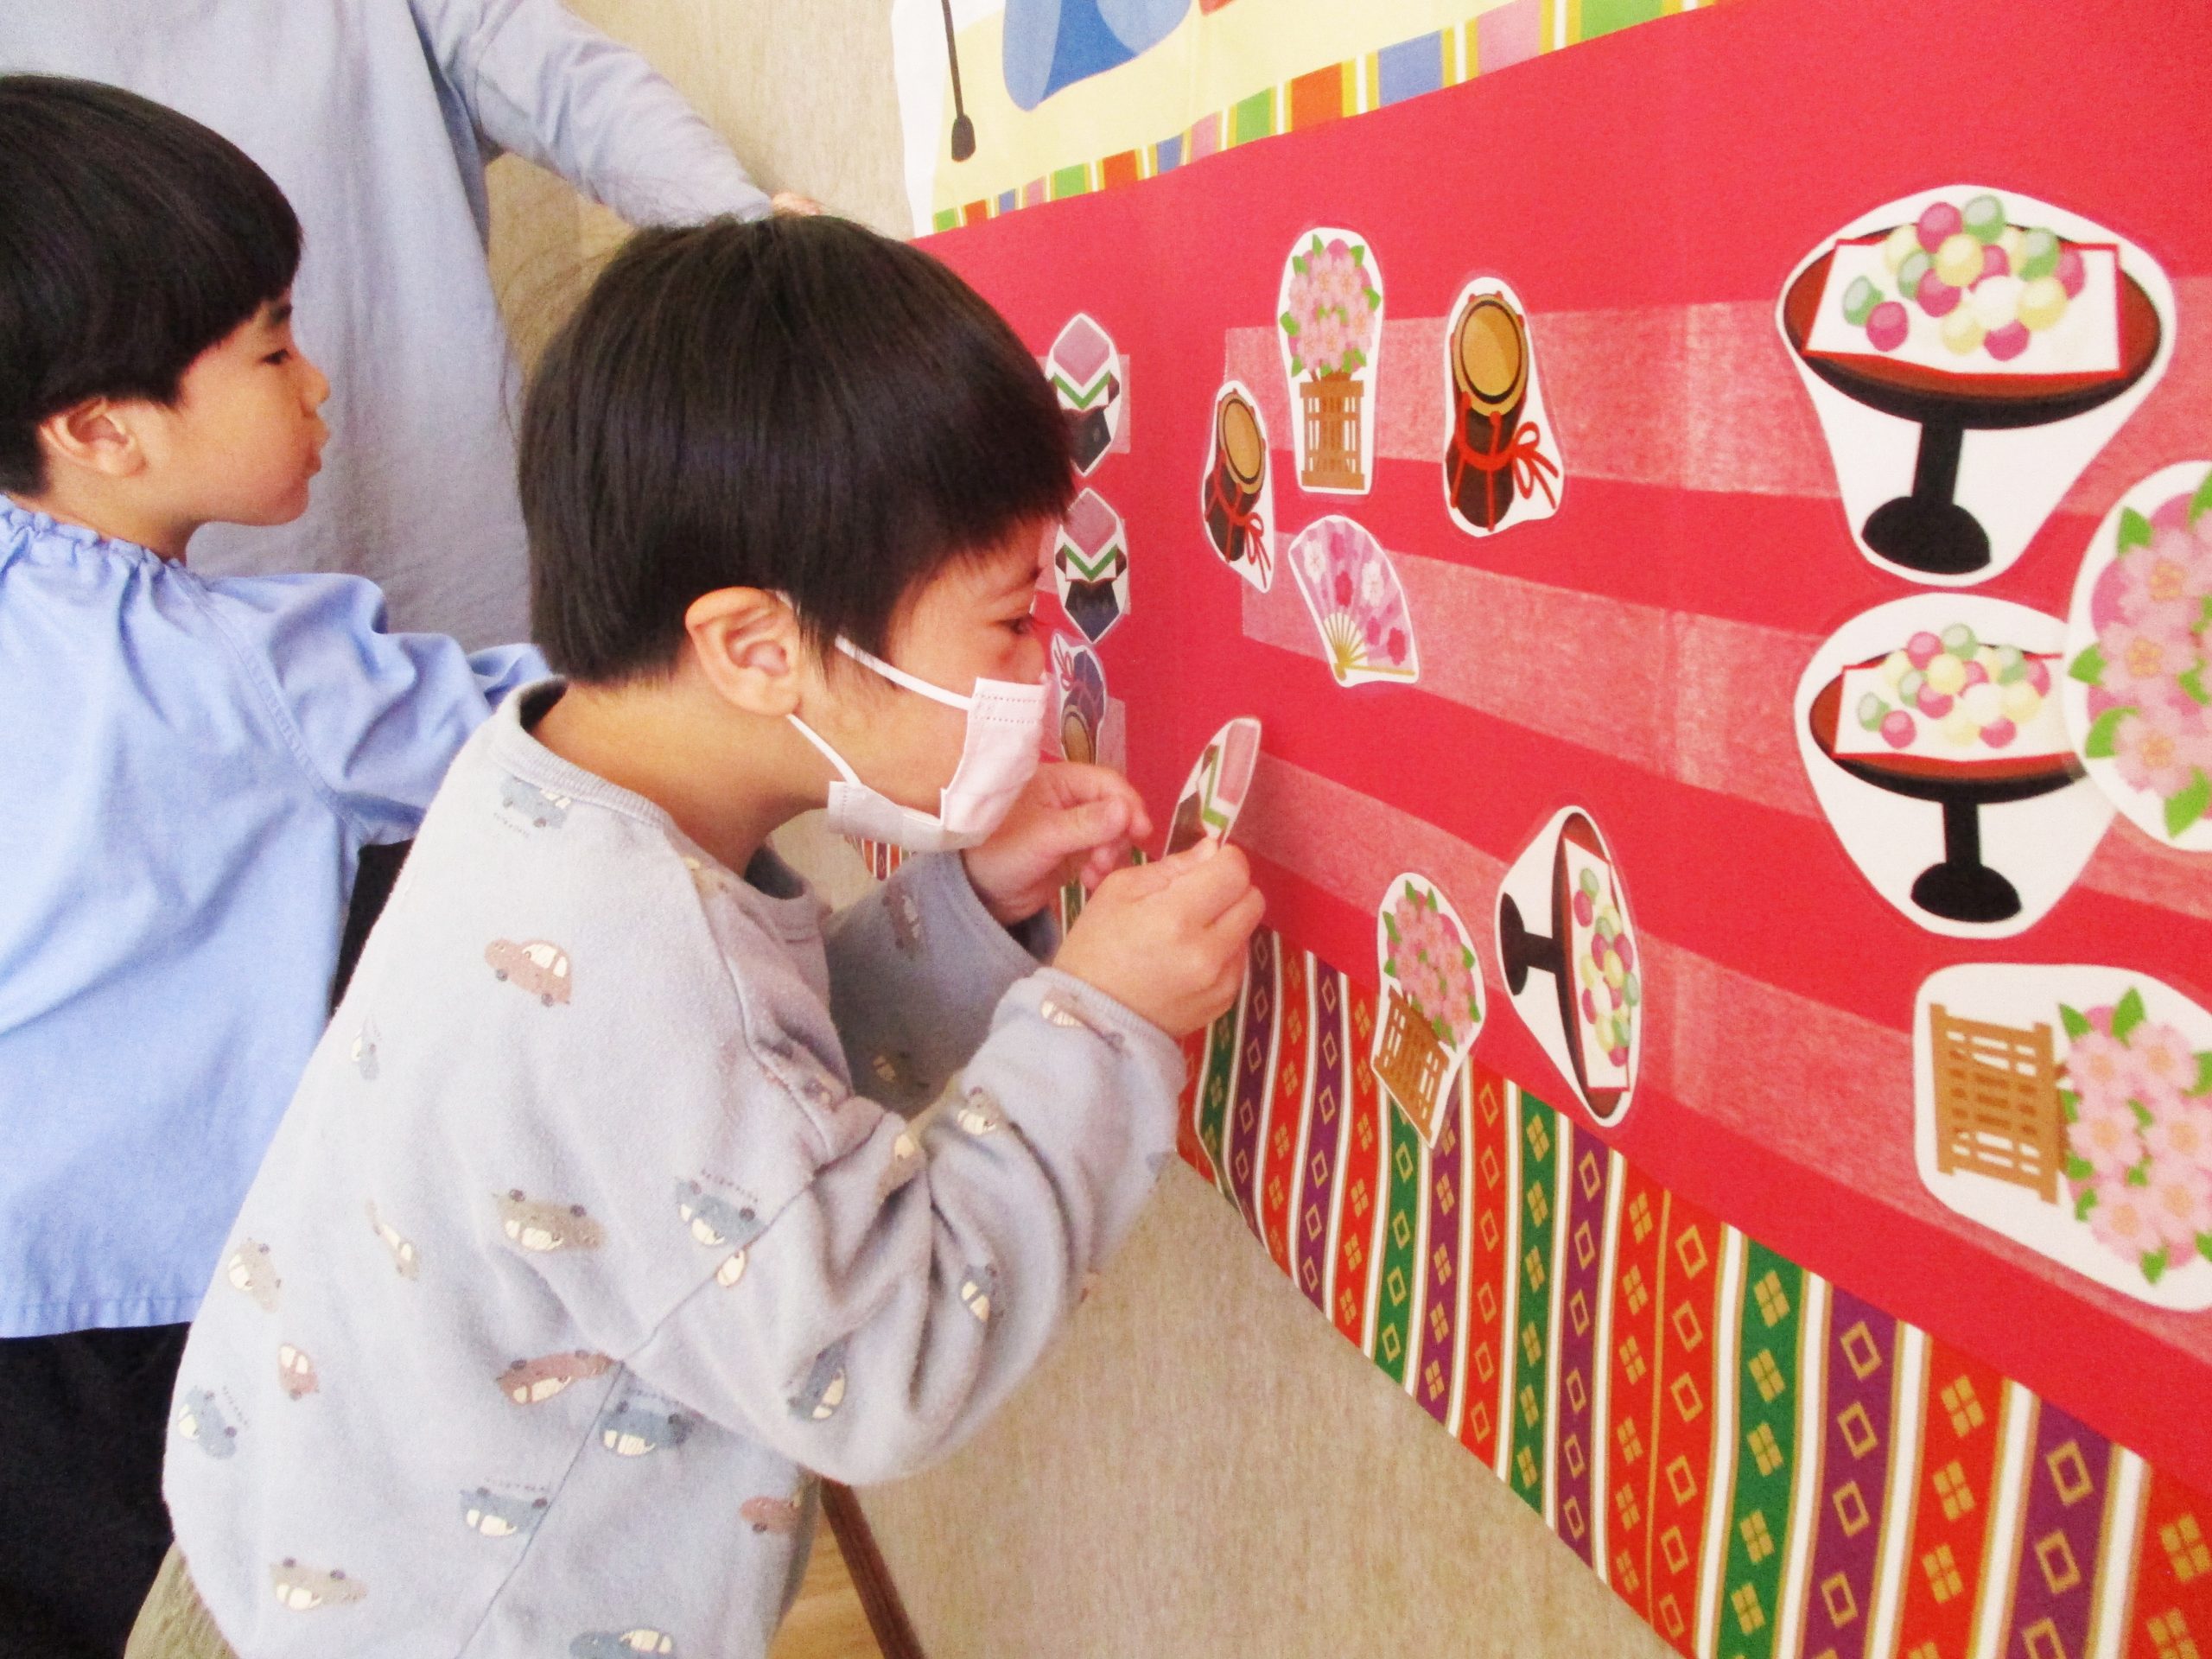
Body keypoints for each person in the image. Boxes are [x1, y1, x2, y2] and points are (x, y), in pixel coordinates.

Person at [135, 213, 1262, 1659]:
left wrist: (964, 914)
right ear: (757, 648)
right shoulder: (634, 966)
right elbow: (887, 1355)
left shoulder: (548, 789)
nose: (1042, 666)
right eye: (1011, 621)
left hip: (290, 1535)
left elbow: (734, 1122)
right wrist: (1101, 1028)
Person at [0, 78, 547, 1657]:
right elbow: (578, 732)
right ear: (100, 429)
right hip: (139, 1295)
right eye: (271, 346)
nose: (317, 383)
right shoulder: (253, 672)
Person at [1, 0, 806, 646]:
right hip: (180, 584)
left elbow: (554, 74)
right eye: (277, 350)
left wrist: (752, 244)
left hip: (443, 540)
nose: (318, 384)